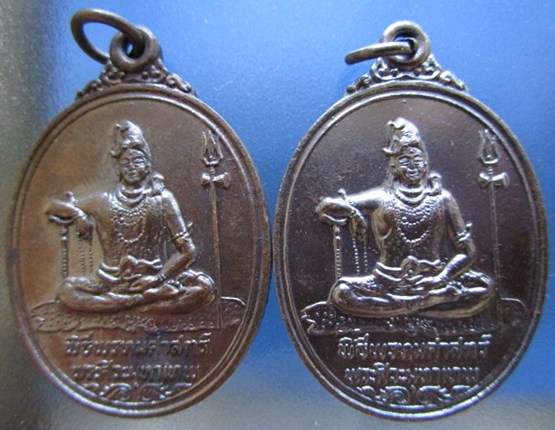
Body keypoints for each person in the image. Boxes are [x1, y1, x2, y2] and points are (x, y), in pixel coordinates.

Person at [315, 117, 495, 319]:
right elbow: (326, 206)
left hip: (433, 281)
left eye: (417, 160)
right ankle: (429, 303)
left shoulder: (443, 199)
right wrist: (353, 212)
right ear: (394, 166)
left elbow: (468, 252)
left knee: (485, 288)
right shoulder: (382, 198)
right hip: (386, 283)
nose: (412, 166)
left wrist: (440, 278)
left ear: (425, 163)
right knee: (341, 293)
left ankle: (398, 308)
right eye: (404, 161)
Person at [46, 121, 215, 313]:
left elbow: (188, 251)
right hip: (108, 282)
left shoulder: (162, 199)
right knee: (66, 291)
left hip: (152, 278)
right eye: (125, 163)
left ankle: (119, 304)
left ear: (148, 165)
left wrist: (158, 279)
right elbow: (54, 207)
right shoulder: (102, 200)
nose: (131, 167)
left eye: (138, 161)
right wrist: (78, 214)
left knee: (205, 288)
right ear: (117, 168)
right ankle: (144, 301)